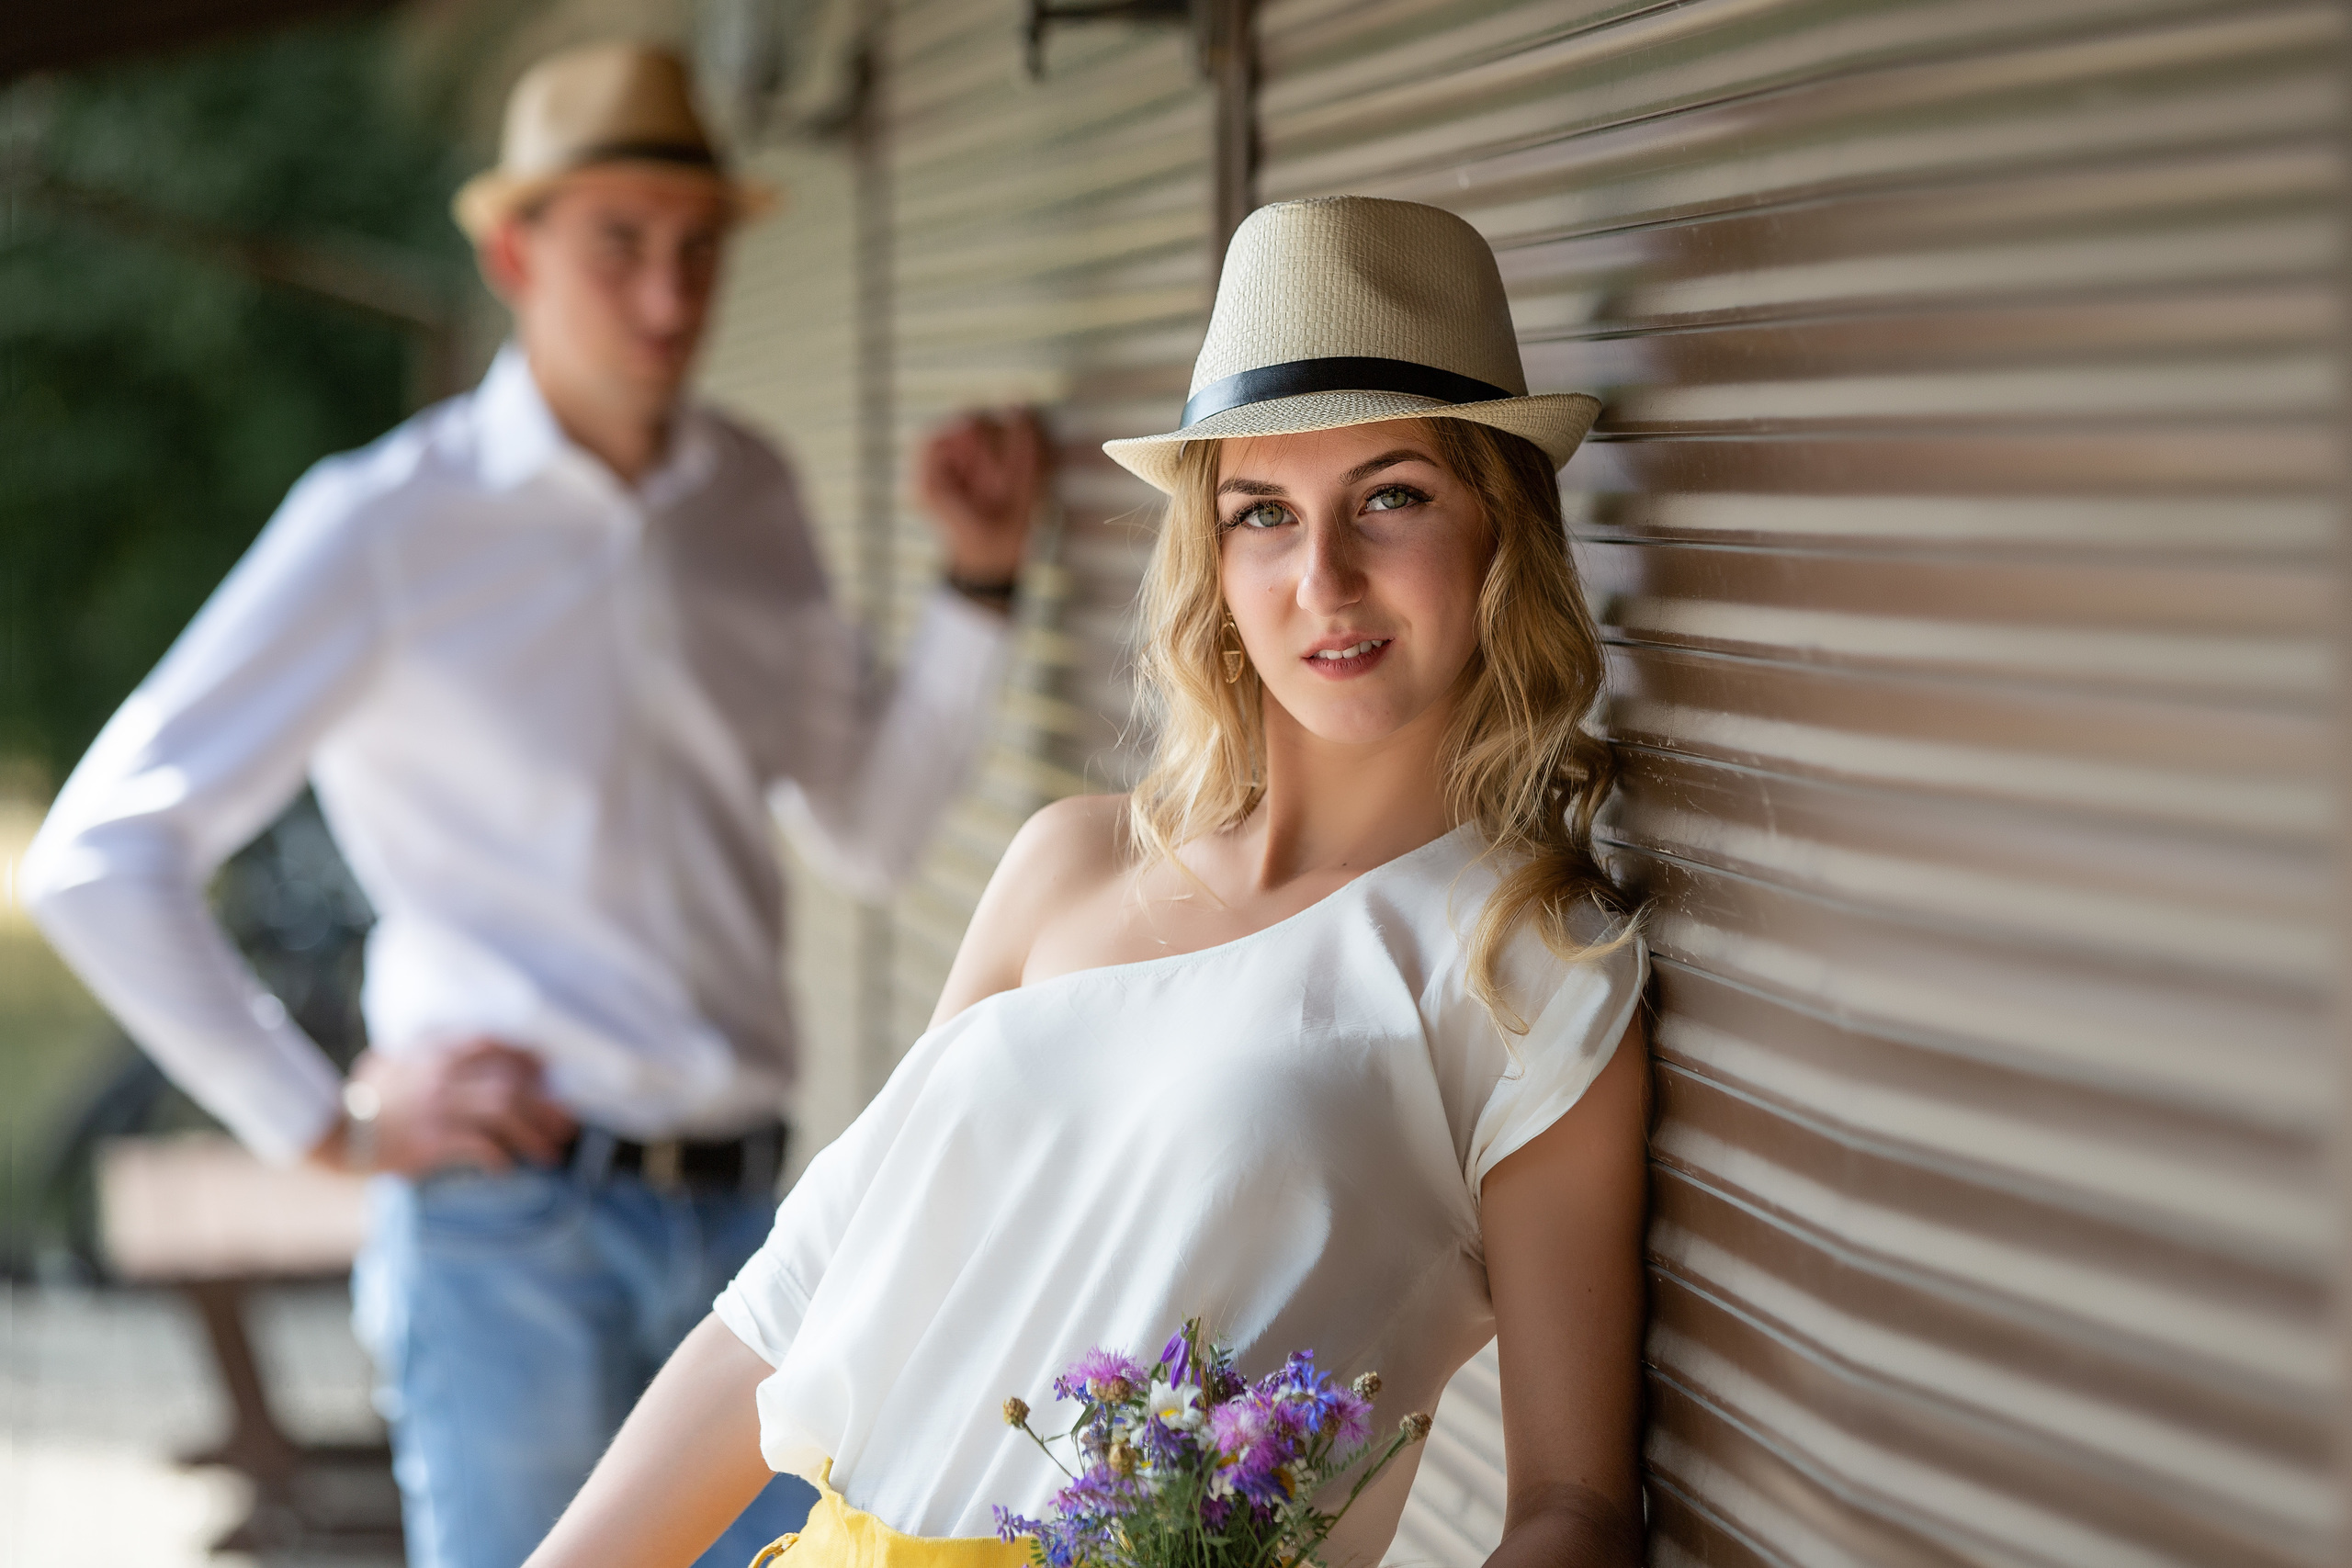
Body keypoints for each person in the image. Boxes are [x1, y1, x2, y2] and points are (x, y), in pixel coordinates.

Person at [21, 40, 1045, 1568]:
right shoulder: (385, 526)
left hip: (757, 1237)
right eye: (618, 244)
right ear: (512, 252)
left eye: (698, 249)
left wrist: (978, 585)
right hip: (510, 1241)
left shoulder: (754, 496)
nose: (667, 297)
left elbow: (872, 831)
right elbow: (99, 859)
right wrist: (326, 1121)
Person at [523, 196, 1649, 1568]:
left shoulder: (1526, 962)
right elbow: (792, 1304)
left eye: (1392, 497)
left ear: (1496, 528)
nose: (1323, 579)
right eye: (1262, 514)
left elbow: (1574, 1513)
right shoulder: (1067, 862)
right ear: (1215, 558)